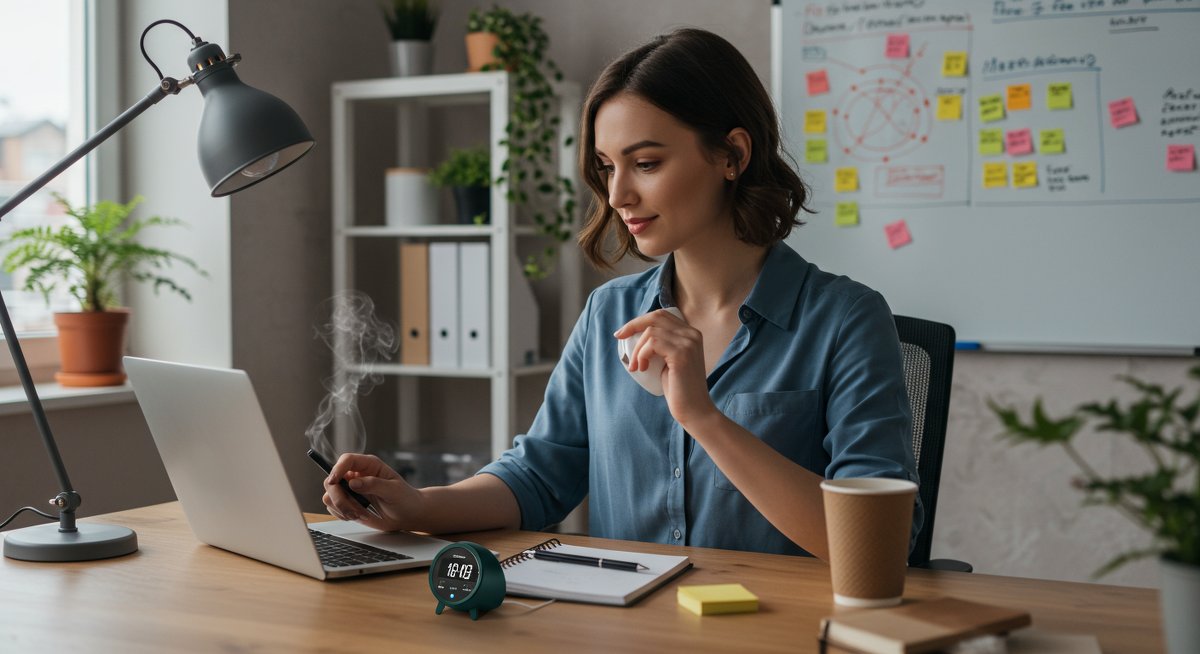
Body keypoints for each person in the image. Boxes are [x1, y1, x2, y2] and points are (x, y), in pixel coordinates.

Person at [324, 27, 921, 560]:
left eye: (647, 162)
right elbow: (539, 475)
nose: (618, 196)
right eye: (608, 167)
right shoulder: (609, 313)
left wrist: (702, 417)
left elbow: (879, 546)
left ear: (733, 155)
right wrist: (418, 505)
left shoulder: (846, 319)